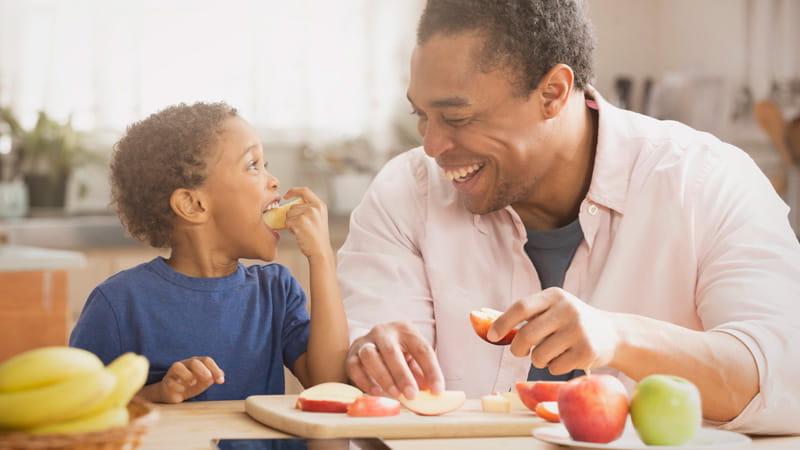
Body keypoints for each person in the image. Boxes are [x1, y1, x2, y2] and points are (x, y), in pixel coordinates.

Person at [337, 0, 800, 434]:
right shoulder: (405, 194)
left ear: (553, 92)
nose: (432, 145)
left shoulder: (706, 182)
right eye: (422, 115)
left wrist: (618, 337)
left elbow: (784, 379)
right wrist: (371, 356)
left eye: (456, 118)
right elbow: (374, 388)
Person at [70, 102, 349, 403]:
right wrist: (157, 394)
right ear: (193, 205)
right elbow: (79, 405)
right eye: (253, 165)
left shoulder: (275, 291)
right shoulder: (118, 304)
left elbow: (330, 384)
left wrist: (322, 258)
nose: (274, 180)